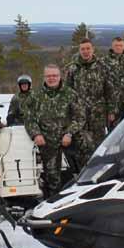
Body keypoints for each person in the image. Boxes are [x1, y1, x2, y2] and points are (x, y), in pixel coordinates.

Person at [24, 64, 87, 196]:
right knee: (52, 176)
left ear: (60, 76)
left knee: (86, 154)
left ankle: (84, 191)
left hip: (68, 138)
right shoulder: (35, 96)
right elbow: (29, 119)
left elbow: (80, 117)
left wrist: (69, 133)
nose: (52, 78)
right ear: (44, 77)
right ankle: (54, 199)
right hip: (47, 141)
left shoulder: (70, 94)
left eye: (54, 75)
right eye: (49, 76)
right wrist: (36, 134)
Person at [64, 39, 112, 166]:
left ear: (93, 49)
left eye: (88, 49)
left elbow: (110, 90)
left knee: (99, 145)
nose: (85, 51)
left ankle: (98, 171)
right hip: (79, 114)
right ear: (79, 51)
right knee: (82, 145)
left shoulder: (102, 67)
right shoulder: (72, 68)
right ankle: (83, 174)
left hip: (98, 114)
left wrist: (111, 110)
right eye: (83, 49)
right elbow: (67, 93)